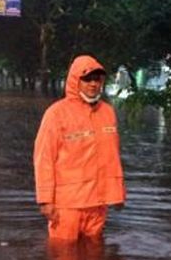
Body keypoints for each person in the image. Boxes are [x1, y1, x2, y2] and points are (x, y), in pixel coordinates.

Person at [33, 54, 125, 241]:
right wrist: (45, 200)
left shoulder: (107, 112)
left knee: (95, 257)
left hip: (98, 203)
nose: (93, 84)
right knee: (63, 258)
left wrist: (117, 192)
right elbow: (44, 158)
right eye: (87, 79)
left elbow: (112, 156)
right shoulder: (56, 113)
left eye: (97, 79)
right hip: (67, 206)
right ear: (76, 80)